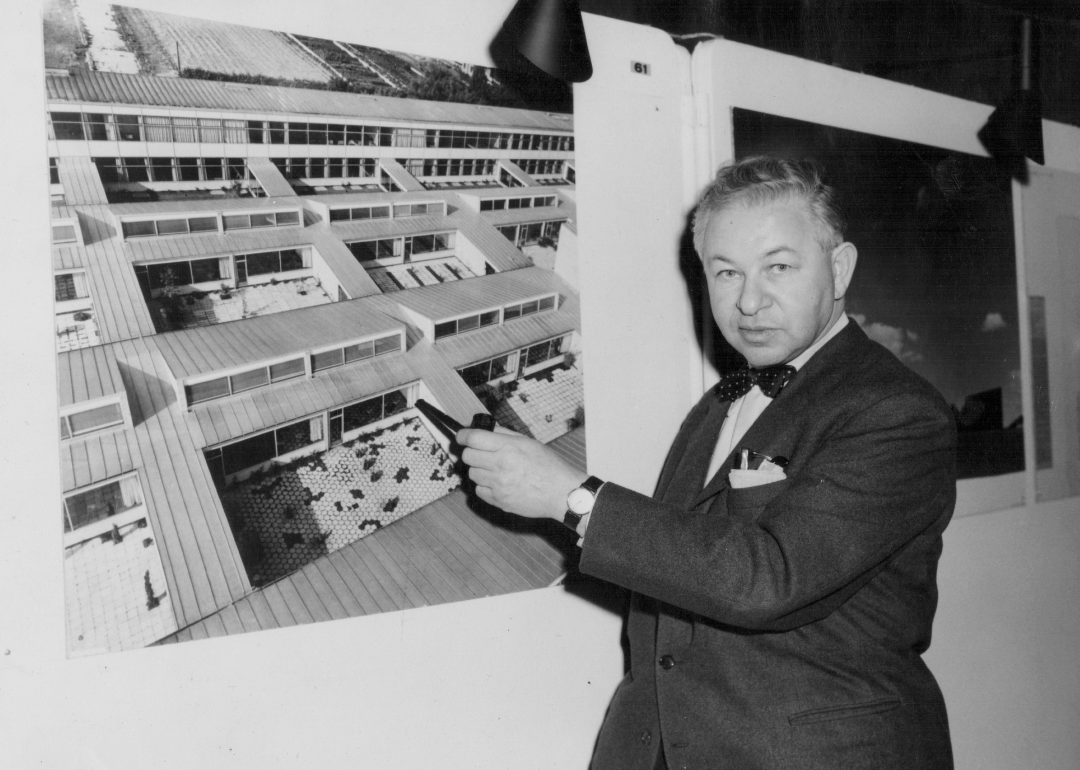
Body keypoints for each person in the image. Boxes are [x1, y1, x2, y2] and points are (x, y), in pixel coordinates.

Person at [457, 156, 956, 770]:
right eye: (726, 272)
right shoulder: (721, 402)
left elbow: (767, 580)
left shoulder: (898, 410)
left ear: (840, 267)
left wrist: (571, 496)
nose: (749, 300)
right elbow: (676, 584)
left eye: (778, 266)